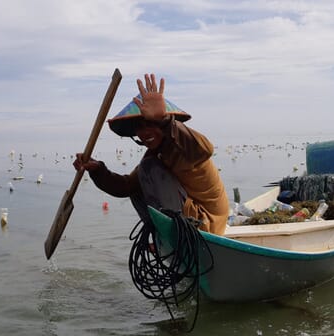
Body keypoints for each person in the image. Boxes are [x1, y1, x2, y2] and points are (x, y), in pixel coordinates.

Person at [73, 73, 229, 235]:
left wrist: (164, 119)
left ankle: (176, 232)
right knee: (138, 182)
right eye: (139, 127)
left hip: (206, 222)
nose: (145, 132)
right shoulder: (155, 156)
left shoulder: (184, 146)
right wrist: (97, 169)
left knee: (147, 169)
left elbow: (204, 149)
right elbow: (125, 187)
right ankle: (161, 233)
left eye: (151, 124)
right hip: (185, 216)